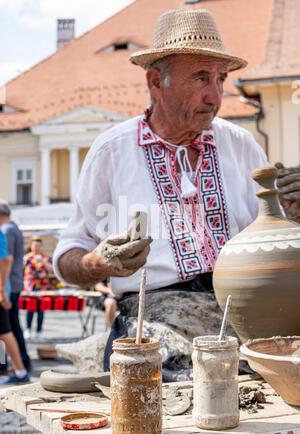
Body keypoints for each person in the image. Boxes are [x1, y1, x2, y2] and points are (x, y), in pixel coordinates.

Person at [53, 9, 292, 380]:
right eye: (200, 78)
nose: (215, 96)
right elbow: (69, 256)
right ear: (155, 81)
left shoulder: (241, 146)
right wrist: (98, 263)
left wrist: (292, 217)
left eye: (221, 79)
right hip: (153, 315)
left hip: (245, 312)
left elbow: (276, 237)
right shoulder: (112, 151)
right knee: (183, 382)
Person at [0, 200, 31, 372]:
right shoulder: (14, 228)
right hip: (11, 283)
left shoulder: (7, 230)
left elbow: (6, 260)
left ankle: (20, 364)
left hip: (8, 284)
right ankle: (10, 363)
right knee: (7, 326)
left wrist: (2, 289)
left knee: (8, 326)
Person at [23, 236, 53, 340]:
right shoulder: (27, 257)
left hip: (42, 287)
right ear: (31, 246)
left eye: (39, 246)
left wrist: (43, 261)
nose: (36, 248)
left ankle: (39, 331)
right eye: (35, 246)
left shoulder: (46, 257)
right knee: (30, 308)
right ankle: (28, 329)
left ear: (42, 247)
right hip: (30, 286)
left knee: (41, 309)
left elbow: (51, 270)